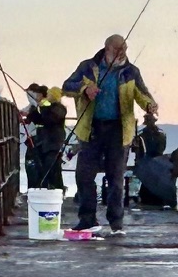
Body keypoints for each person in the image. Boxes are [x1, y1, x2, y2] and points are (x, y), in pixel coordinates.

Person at [64, 33, 157, 235]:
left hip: (119, 129)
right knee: (84, 175)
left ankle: (116, 223)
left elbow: (142, 94)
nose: (122, 53)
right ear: (107, 48)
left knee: (116, 177)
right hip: (91, 128)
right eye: (117, 49)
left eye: (124, 49)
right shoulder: (87, 66)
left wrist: (150, 105)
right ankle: (87, 219)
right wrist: (85, 88)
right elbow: (67, 87)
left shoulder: (131, 72)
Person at [23, 84, 67, 191]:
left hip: (54, 143)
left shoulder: (59, 109)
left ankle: (57, 189)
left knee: (52, 168)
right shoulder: (49, 108)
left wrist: (39, 107)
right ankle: (46, 190)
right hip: (46, 143)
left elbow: (49, 118)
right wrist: (32, 113)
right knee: (45, 168)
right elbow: (40, 119)